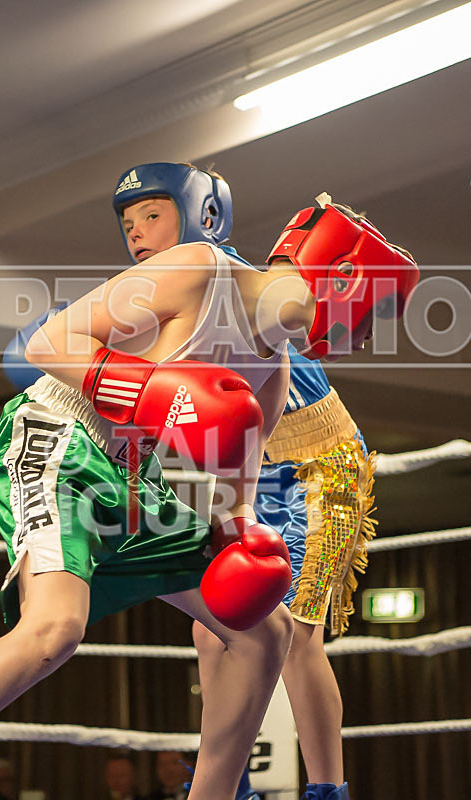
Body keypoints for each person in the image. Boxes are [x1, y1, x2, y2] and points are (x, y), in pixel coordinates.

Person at [0, 163, 416, 800]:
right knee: (53, 631)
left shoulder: (274, 369)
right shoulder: (199, 269)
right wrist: (153, 391)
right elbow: (48, 342)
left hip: (142, 479)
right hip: (61, 439)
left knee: (261, 632)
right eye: (376, 313)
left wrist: (241, 538)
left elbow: (228, 485)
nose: (371, 333)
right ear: (347, 282)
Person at [110, 164, 415, 800]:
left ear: (199, 215)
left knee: (298, 633)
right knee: (213, 624)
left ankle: (328, 789)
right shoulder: (153, 293)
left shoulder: (219, 271)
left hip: (316, 463)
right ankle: (228, 781)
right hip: (236, 460)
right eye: (128, 222)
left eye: (153, 215)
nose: (138, 233)